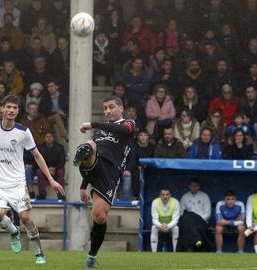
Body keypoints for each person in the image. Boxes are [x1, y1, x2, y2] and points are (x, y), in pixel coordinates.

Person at [0, 95, 64, 264]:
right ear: (2, 109)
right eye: (9, 107)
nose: (12, 110)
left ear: (18, 111)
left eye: (15, 108)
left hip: (18, 183)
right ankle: (13, 231)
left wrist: (51, 179)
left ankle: (39, 252)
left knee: (26, 218)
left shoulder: (23, 131)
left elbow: (37, 155)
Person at [73, 95, 136, 267]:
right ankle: (80, 156)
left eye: (111, 107)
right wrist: (83, 186)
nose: (107, 111)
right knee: (90, 145)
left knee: (100, 217)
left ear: (121, 108)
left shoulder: (129, 124)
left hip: (110, 173)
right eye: (105, 108)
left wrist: (92, 124)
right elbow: (95, 140)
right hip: (95, 165)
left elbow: (125, 132)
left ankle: (92, 255)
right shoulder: (99, 131)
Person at [36, 131, 65, 200]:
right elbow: (37, 162)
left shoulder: (60, 147)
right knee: (38, 171)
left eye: (50, 136)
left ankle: (61, 194)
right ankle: (42, 194)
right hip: (45, 171)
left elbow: (62, 161)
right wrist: (47, 169)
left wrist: (55, 168)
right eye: (47, 137)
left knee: (61, 171)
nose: (49, 138)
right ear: (44, 139)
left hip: (56, 171)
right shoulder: (40, 148)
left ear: (54, 138)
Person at [150, 187, 180, 252]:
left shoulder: (175, 202)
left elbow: (175, 220)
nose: (165, 197)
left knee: (176, 228)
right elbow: (154, 219)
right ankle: (154, 252)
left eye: (167, 194)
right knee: (153, 228)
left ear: (170, 195)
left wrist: (167, 226)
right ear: (160, 195)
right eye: (163, 194)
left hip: (171, 226)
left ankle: (175, 252)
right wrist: (161, 226)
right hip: (159, 225)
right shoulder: (155, 202)